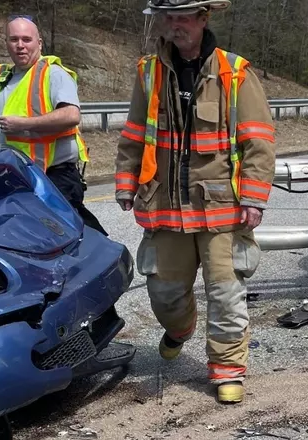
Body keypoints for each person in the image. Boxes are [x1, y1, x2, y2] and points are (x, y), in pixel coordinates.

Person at [114, 0, 276, 404]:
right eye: (168, 17)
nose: (174, 25)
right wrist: (125, 183)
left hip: (222, 208)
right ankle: (180, 330)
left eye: (183, 16)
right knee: (165, 295)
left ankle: (226, 371)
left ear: (204, 19)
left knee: (225, 295)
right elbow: (134, 134)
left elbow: (257, 140)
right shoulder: (149, 72)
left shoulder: (234, 72)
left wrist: (254, 197)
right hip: (164, 207)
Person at [0, 15, 107, 235]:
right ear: (6, 43)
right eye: (14, 39)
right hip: (16, 177)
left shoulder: (52, 73)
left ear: (39, 43)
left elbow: (71, 115)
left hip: (53, 177)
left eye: (26, 39)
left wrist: (24, 125)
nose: (20, 45)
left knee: (64, 239)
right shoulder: (3, 78)